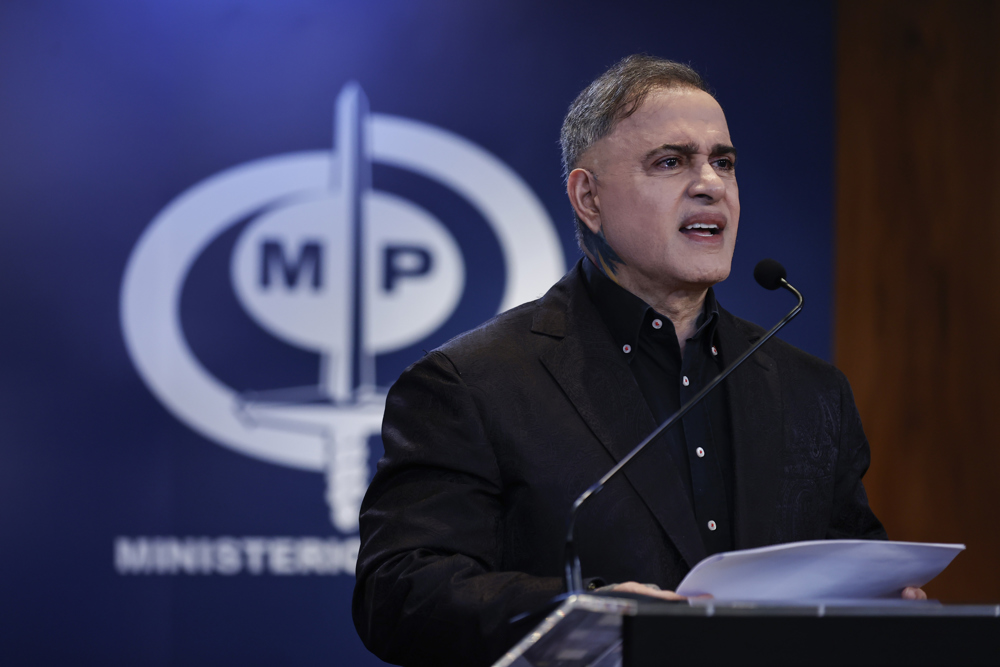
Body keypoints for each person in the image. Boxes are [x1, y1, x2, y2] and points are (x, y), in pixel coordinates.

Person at [352, 55, 919, 667]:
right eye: (671, 162)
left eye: (724, 162)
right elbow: (400, 591)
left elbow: (852, 564)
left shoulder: (812, 391)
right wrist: (581, 613)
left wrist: (881, 601)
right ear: (588, 198)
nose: (710, 184)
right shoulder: (472, 383)